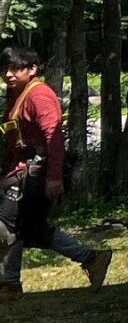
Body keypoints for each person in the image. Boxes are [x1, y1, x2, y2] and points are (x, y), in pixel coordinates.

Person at [0, 43, 109, 296]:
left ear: (33, 68)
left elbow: (54, 137)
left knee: (7, 225)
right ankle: (91, 258)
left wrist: (53, 177)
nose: (8, 74)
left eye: (16, 68)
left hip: (36, 175)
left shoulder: (39, 95)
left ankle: (9, 284)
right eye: (6, 68)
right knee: (31, 229)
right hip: (21, 173)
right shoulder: (18, 94)